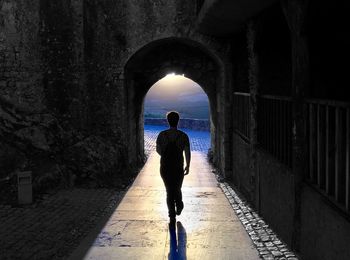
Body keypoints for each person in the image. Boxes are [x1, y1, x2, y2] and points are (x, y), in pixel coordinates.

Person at [156, 111, 191, 227]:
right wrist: (188, 165)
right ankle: (179, 204)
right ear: (178, 121)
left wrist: (166, 156)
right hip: (178, 167)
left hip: (165, 167)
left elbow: (158, 150)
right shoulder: (183, 136)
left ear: (168, 121)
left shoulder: (162, 135)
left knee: (168, 190)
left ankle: (172, 215)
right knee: (177, 187)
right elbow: (187, 152)